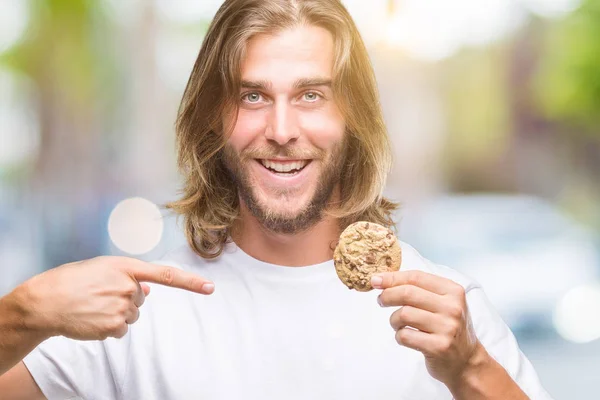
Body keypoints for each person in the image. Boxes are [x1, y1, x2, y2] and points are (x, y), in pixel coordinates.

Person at [0, 0, 553, 399]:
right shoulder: (135, 318)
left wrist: (471, 369)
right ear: (212, 119)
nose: (282, 128)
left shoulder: (448, 316)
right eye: (253, 96)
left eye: (311, 95)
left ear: (353, 119)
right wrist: (23, 312)